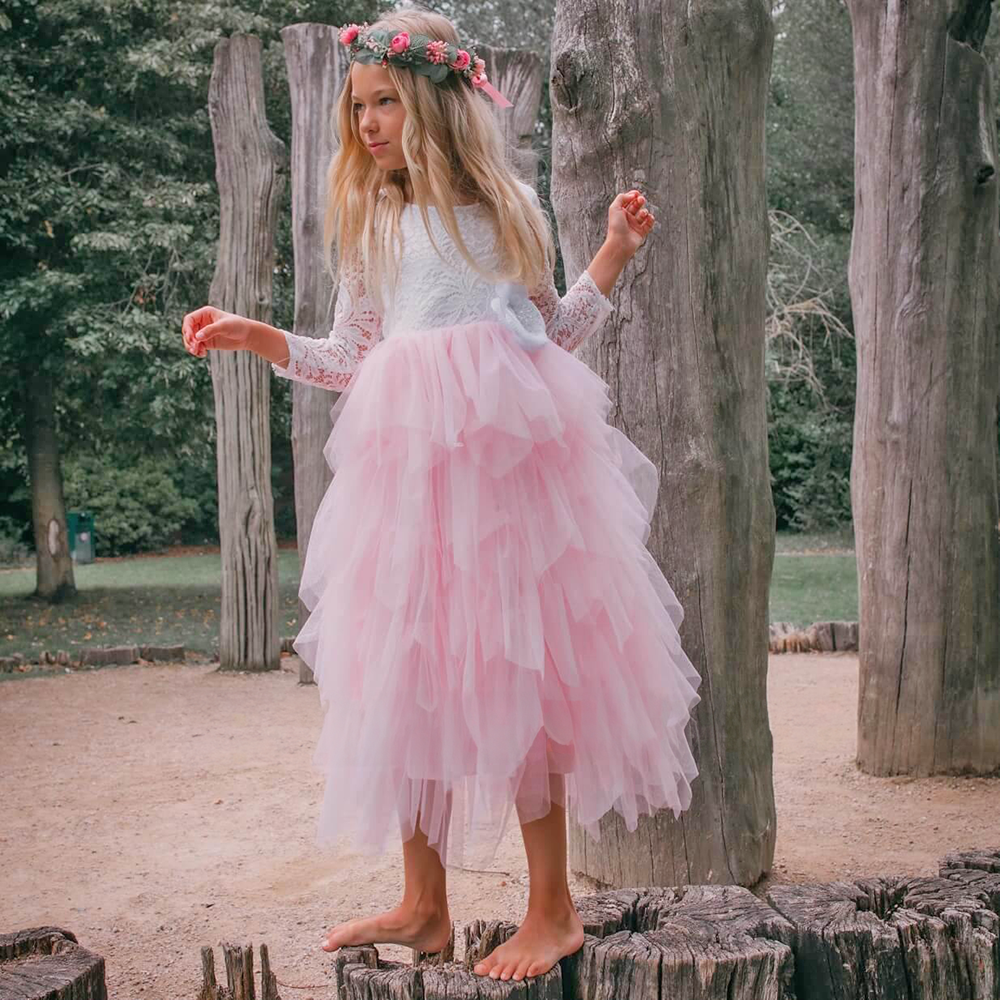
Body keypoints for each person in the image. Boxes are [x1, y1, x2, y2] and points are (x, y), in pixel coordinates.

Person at [181, 5, 702, 983]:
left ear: (433, 103)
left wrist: (611, 256)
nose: (369, 123)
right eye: (359, 106)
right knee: (407, 674)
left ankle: (551, 908)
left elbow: (546, 338)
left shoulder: (501, 211)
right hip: (408, 498)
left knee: (520, 679)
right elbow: (351, 355)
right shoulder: (375, 220)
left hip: (505, 500)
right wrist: (260, 338)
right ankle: (424, 903)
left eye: (386, 102)